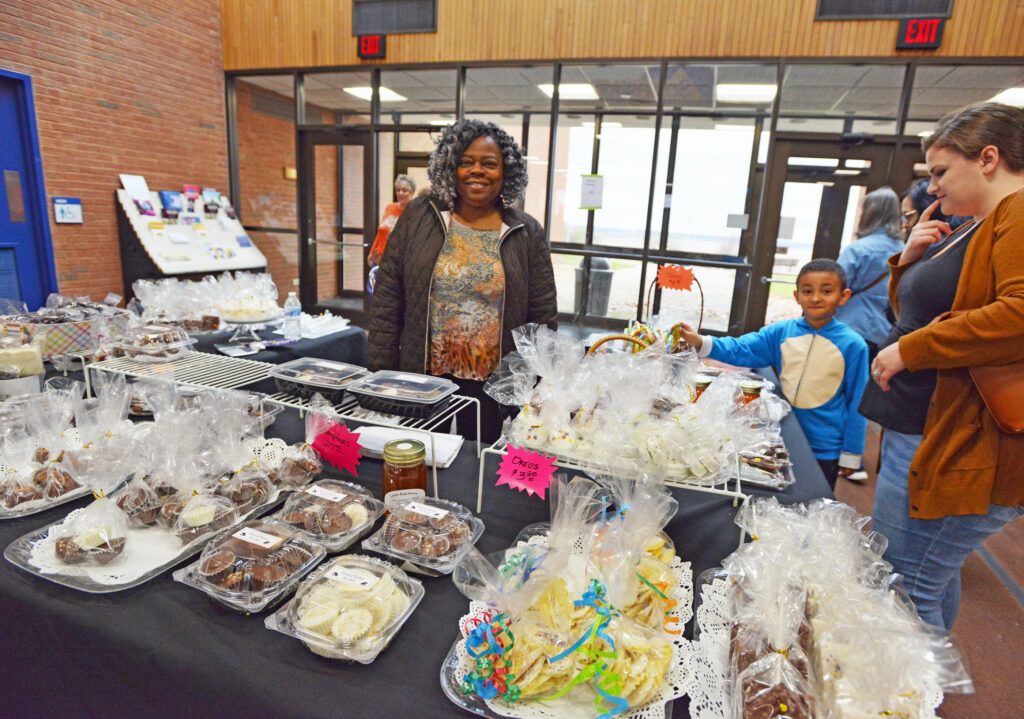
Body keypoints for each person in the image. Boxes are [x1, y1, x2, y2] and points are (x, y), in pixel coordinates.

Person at [867, 102, 1024, 629]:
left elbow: (1019, 314)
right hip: (925, 424)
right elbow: (912, 312)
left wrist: (913, 350)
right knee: (925, 577)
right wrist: (909, 262)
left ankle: (907, 706)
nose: (933, 188)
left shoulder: (1017, 212)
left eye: (940, 172)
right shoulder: (973, 226)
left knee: (906, 584)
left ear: (987, 158)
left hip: (956, 436)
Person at [367, 119, 558, 443]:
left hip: (494, 384)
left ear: (506, 171)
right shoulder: (418, 217)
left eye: (489, 163)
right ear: (450, 167)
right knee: (419, 458)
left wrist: (541, 381)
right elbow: (387, 298)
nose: (477, 171)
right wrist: (379, 376)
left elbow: (542, 315)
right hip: (422, 376)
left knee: (479, 470)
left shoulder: (526, 231)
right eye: (466, 162)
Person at [677, 258, 869, 489]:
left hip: (825, 446)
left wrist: (851, 453)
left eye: (826, 291)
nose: (816, 298)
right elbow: (743, 348)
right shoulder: (781, 332)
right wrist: (701, 342)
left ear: (844, 296)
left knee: (815, 497)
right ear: (797, 296)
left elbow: (859, 401)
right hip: (782, 436)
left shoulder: (854, 345)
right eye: (808, 291)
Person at [835, 187, 903, 362]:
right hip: (883, 335)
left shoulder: (858, 250)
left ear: (870, 213)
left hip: (849, 328)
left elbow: (833, 289)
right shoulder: (905, 251)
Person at [367, 174, 416, 267]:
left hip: (395, 264)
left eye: (404, 190)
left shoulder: (414, 213)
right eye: (398, 190)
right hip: (378, 259)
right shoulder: (390, 207)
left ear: (412, 193)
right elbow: (380, 232)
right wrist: (371, 252)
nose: (400, 193)